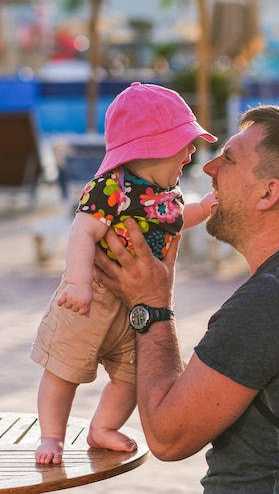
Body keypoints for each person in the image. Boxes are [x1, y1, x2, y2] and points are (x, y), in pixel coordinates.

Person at [94, 104, 279, 493]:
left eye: (228, 158)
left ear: (267, 192)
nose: (209, 168)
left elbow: (167, 436)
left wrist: (151, 305)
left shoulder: (275, 301)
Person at [31, 82, 217, 465]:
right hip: (92, 296)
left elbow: (181, 220)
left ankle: (102, 427)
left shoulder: (167, 195)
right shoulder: (109, 188)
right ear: (151, 149)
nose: (192, 151)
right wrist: (79, 283)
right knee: (63, 369)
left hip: (133, 303)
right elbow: (83, 231)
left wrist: (208, 207)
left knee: (133, 377)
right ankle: (51, 435)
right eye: (184, 143)